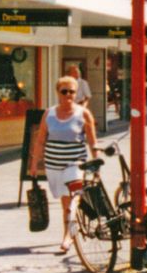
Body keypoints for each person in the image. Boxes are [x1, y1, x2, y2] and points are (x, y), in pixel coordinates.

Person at [28, 76, 99, 254]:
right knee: (64, 202)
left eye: (72, 91)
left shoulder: (83, 113)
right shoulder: (49, 114)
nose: (68, 95)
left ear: (76, 93)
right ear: (57, 92)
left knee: (70, 199)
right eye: (64, 91)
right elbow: (40, 140)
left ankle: (67, 236)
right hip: (53, 164)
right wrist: (34, 164)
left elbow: (92, 141)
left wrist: (96, 162)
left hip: (75, 163)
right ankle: (76, 216)